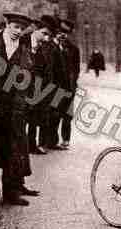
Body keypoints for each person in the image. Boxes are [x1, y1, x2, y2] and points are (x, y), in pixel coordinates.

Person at [0, 12, 39, 207]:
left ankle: (11, 193)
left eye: (21, 29)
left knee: (12, 150)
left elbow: (29, 82)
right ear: (7, 24)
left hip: (14, 110)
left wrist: (25, 105)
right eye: (14, 26)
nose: (18, 31)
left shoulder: (24, 52)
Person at [27, 15, 58, 156]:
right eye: (44, 33)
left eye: (49, 35)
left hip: (38, 87)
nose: (46, 38)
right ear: (35, 29)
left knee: (35, 117)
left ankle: (32, 144)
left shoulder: (45, 47)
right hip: (19, 84)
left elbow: (45, 69)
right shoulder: (23, 41)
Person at [54, 19, 80, 150]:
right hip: (56, 87)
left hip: (69, 87)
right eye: (61, 31)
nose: (64, 35)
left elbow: (76, 69)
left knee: (67, 115)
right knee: (54, 113)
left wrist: (73, 83)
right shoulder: (53, 46)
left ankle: (65, 139)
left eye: (67, 32)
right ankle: (52, 140)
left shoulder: (74, 49)